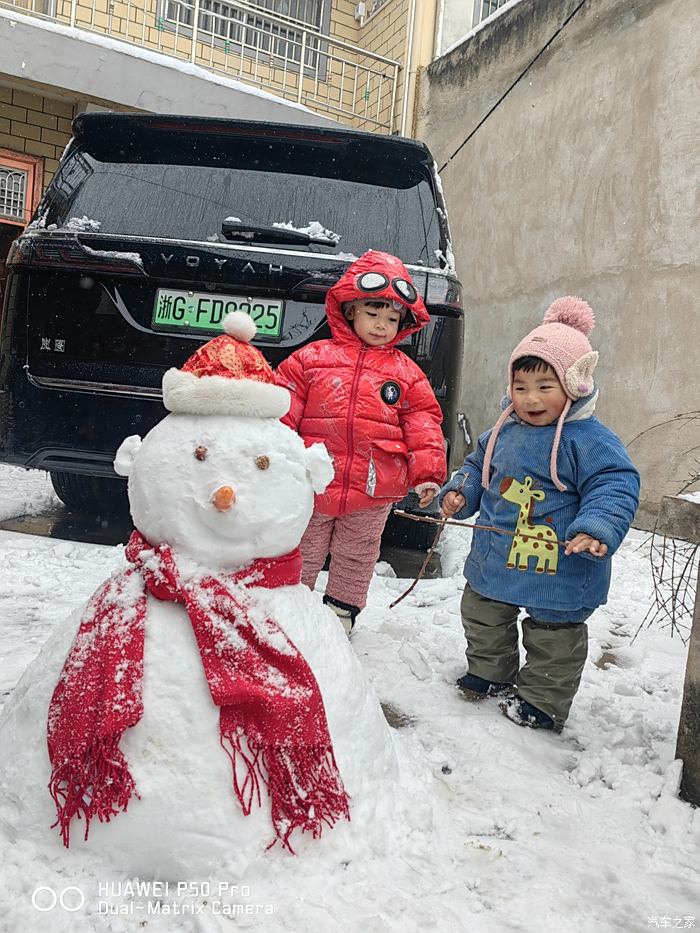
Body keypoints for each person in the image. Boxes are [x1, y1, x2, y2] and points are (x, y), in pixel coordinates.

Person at [438, 296, 640, 732]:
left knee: (554, 635)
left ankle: (542, 699)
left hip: (561, 562)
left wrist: (595, 527)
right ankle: (491, 674)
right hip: (496, 554)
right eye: (521, 386)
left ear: (575, 384)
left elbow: (615, 483)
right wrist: (461, 491)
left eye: (545, 387)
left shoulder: (587, 439)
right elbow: (477, 465)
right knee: (482, 611)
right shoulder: (503, 431)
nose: (530, 399)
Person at [276, 250, 446, 634]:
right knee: (303, 548)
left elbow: (423, 424)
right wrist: (274, 455)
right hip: (314, 479)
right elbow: (284, 408)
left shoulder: (406, 373)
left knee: (357, 553)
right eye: (373, 313)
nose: (382, 325)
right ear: (350, 309)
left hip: (374, 484)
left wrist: (427, 473)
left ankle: (341, 614)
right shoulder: (311, 359)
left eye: (392, 318)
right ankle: (292, 610)